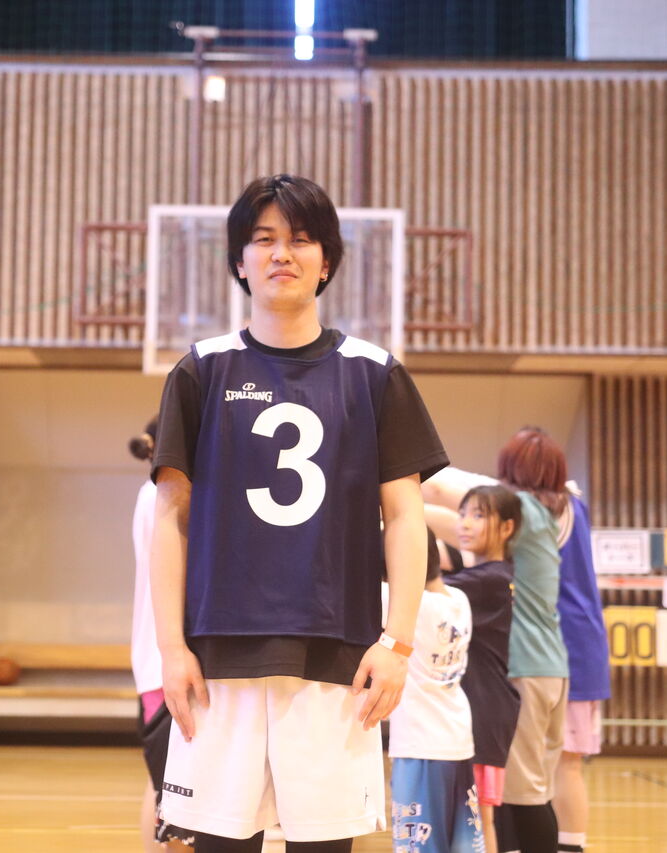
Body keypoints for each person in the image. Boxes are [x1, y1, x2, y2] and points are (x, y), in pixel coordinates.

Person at [149, 174, 449, 852]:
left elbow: (406, 517)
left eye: (300, 239)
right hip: (218, 656)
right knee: (219, 845)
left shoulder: (375, 374)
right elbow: (172, 516)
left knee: (325, 847)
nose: (281, 253)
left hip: (337, 655)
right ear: (239, 261)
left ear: (327, 261)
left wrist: (398, 644)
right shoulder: (201, 371)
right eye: (263, 240)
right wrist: (171, 648)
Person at [422, 440, 570, 853]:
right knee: (527, 790)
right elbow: (446, 517)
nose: (469, 521)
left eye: (478, 514)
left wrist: (390, 483)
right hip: (547, 668)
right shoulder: (541, 519)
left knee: (524, 795)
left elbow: (438, 488)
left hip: (524, 670)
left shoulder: (522, 511)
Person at [433, 485, 524, 850]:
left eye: (479, 515)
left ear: (507, 527)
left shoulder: (489, 580)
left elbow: (426, 593)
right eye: (463, 514)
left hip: (483, 712)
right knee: (467, 816)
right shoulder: (490, 574)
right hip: (482, 707)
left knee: (478, 817)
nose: (465, 523)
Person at [384, 530, 484, 852]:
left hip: (420, 743)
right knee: (462, 844)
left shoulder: (405, 604)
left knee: (420, 846)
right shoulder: (459, 599)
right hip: (457, 739)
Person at [130, 417, 196, 851]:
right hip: (166, 662)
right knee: (174, 799)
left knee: (164, 791)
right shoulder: (162, 496)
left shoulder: (152, 495)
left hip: (157, 661)